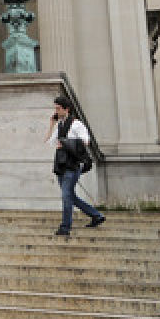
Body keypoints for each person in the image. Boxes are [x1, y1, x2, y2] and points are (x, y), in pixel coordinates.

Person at [46, 96, 104, 236]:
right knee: (70, 196)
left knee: (66, 196)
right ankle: (96, 215)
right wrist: (51, 124)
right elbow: (49, 141)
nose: (56, 111)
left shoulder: (76, 124)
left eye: (58, 108)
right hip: (61, 165)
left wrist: (65, 142)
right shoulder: (59, 125)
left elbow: (85, 141)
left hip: (72, 166)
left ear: (66, 109)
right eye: (55, 108)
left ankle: (65, 227)